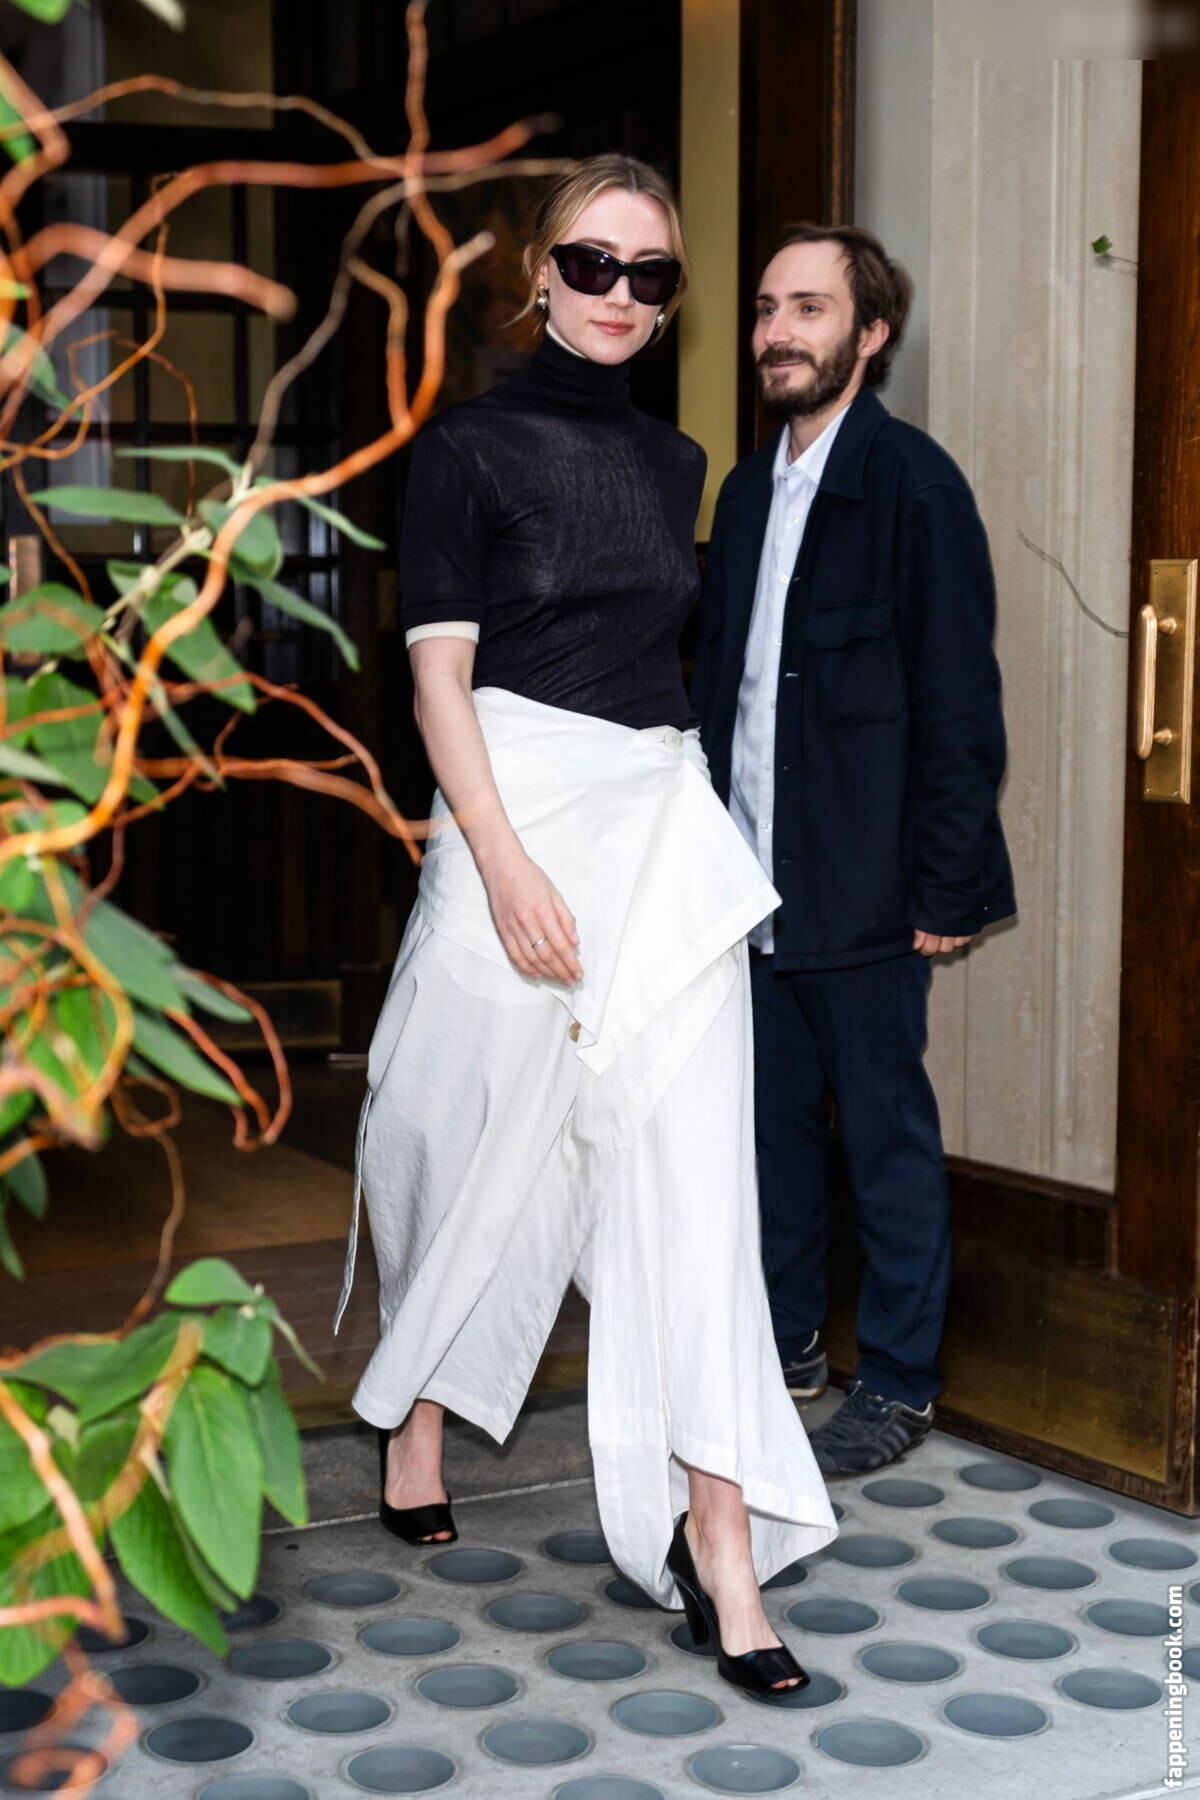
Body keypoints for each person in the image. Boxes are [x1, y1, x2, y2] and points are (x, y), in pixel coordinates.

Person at [334, 157, 837, 1698]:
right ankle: (416, 1414)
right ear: (540, 273)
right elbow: (437, 678)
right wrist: (500, 864)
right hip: (511, 810)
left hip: (657, 826)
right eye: (593, 264)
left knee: (693, 1183)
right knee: (452, 1134)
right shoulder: (466, 451)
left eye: (651, 274)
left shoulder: (681, 462)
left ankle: (721, 1540)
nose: (620, 294)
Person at [691, 223, 1015, 1477]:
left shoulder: (915, 488)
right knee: (768, 1135)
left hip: (869, 887)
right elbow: (723, 694)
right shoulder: (743, 492)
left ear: (870, 335)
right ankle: (786, 1347)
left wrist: (947, 884)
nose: (778, 332)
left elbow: (959, 705)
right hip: (746, 885)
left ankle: (899, 1379)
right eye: (768, 308)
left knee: (883, 1138)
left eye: (810, 309)